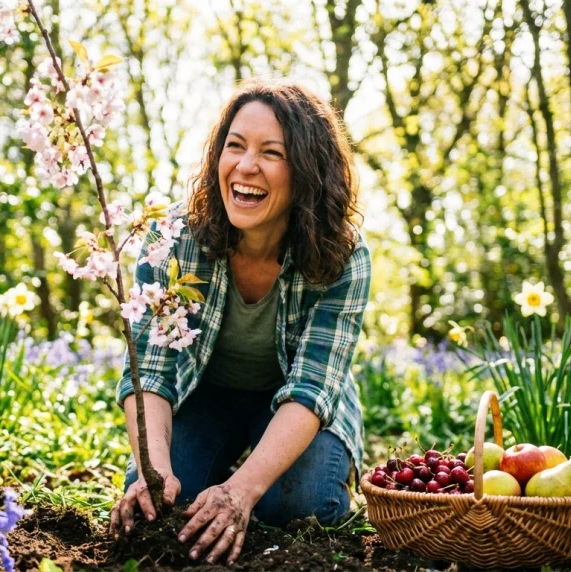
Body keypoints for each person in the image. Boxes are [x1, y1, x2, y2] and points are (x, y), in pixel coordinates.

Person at [109, 79, 371, 566]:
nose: (246, 166)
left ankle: (257, 471)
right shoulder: (172, 240)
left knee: (300, 506)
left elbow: (312, 388)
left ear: (308, 172)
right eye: (235, 146)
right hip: (204, 395)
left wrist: (241, 491)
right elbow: (150, 367)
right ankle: (217, 463)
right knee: (159, 500)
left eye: (272, 152)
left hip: (294, 406)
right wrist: (157, 468)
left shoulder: (343, 257)